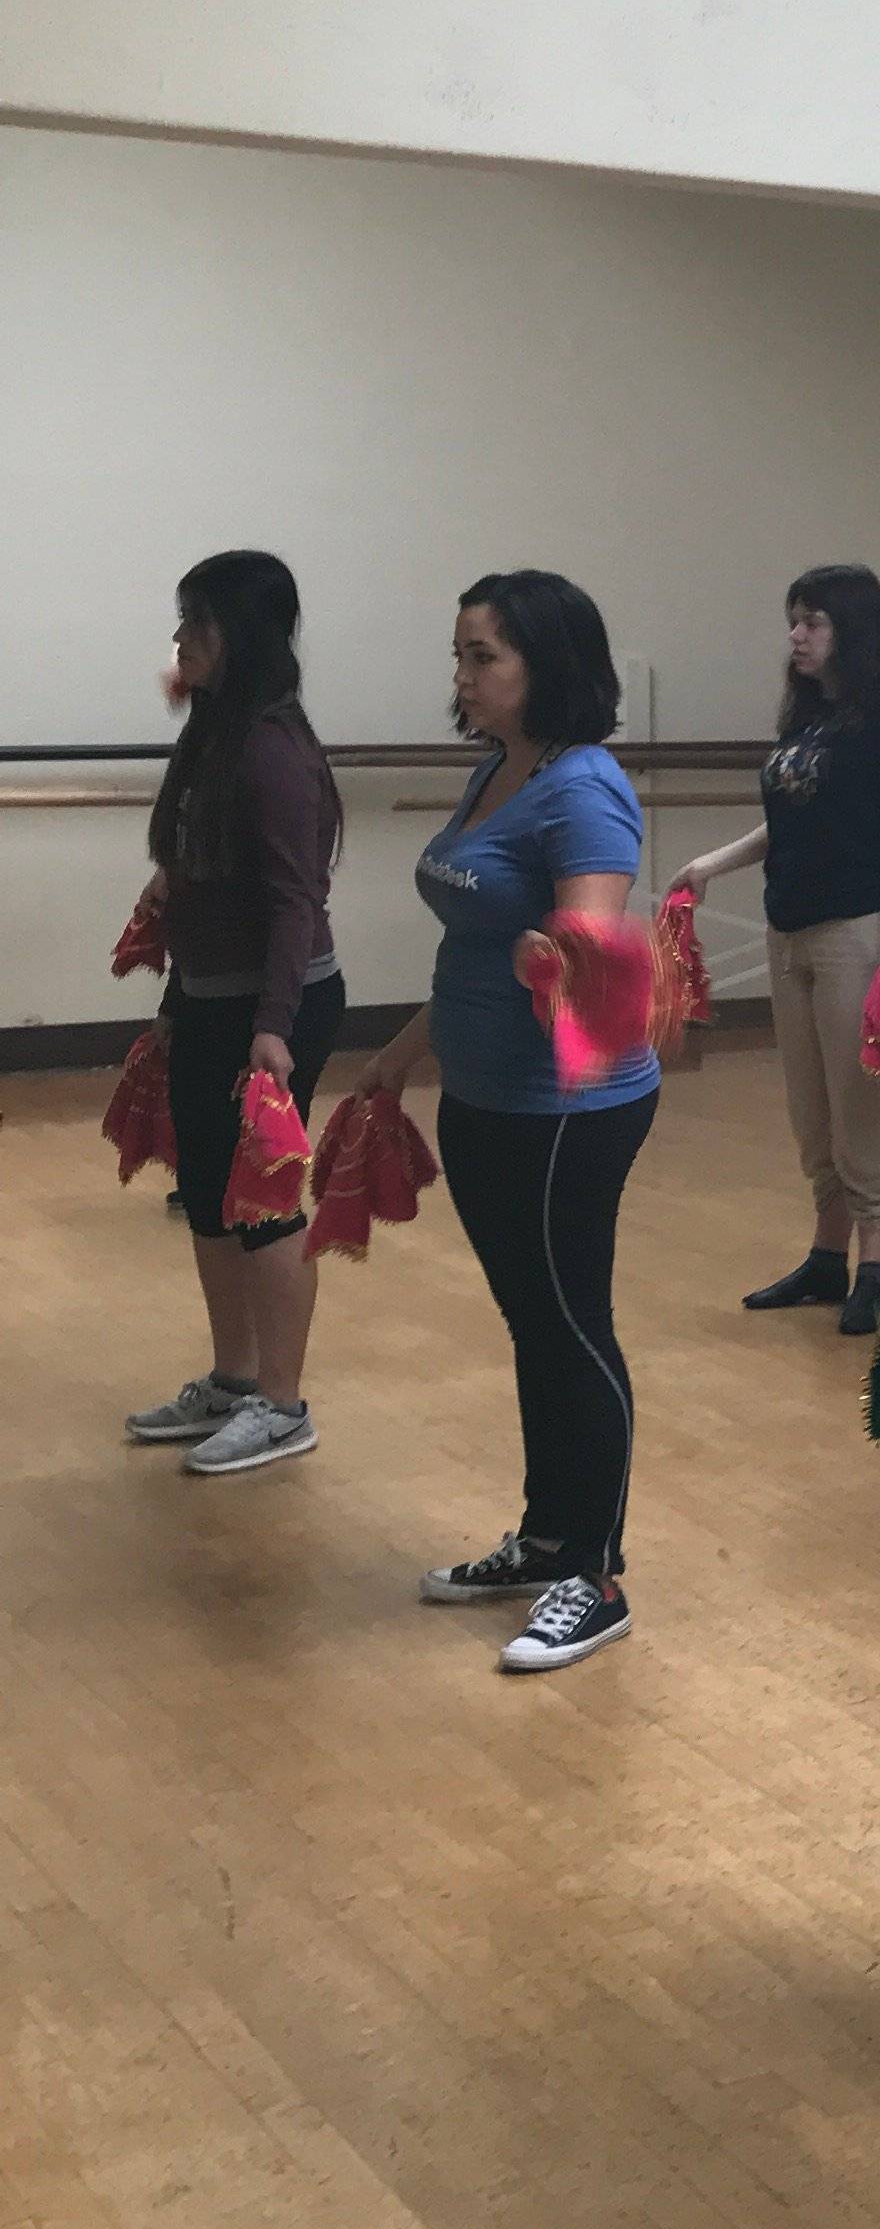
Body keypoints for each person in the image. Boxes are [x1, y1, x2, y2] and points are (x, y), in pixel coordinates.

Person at [359, 571, 660, 1675]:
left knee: (572, 1322)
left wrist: (562, 950)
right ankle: (546, 1540)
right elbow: (477, 948)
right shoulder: (501, 771)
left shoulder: (582, 788)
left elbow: (591, 934)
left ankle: (599, 1571)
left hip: (567, 1108)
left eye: (484, 655)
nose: (463, 676)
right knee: (533, 1318)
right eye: (460, 655)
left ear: (549, 663)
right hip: (482, 1092)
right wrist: (399, 1057)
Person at [124, 550, 346, 1477]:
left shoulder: (273, 749)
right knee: (212, 1200)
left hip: (277, 1009)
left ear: (242, 637)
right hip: (213, 1002)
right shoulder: (216, 732)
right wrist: (177, 996)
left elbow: (298, 901)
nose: (180, 642)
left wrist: (272, 1027)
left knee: (262, 1207)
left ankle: (285, 1407)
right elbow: (193, 875)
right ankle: (234, 1379)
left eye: (198, 625)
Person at [679, 567, 880, 1339]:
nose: (796, 635)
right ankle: (826, 1255)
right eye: (794, 620)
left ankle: (874, 1264)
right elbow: (790, 823)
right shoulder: (808, 720)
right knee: (809, 1105)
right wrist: (712, 864)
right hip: (789, 926)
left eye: (812, 622)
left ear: (851, 630)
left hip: (860, 926)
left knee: (863, 1100)